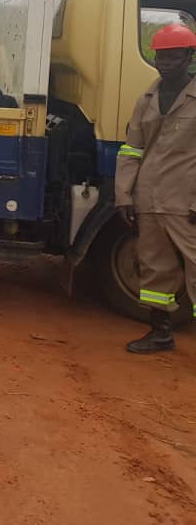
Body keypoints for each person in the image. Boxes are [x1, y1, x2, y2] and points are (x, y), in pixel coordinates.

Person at [115, 24, 196, 354]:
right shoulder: (147, 99)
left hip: (186, 199)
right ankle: (160, 332)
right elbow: (132, 149)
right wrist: (124, 194)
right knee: (154, 267)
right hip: (149, 197)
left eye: (174, 56)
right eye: (162, 56)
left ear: (189, 57)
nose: (166, 62)